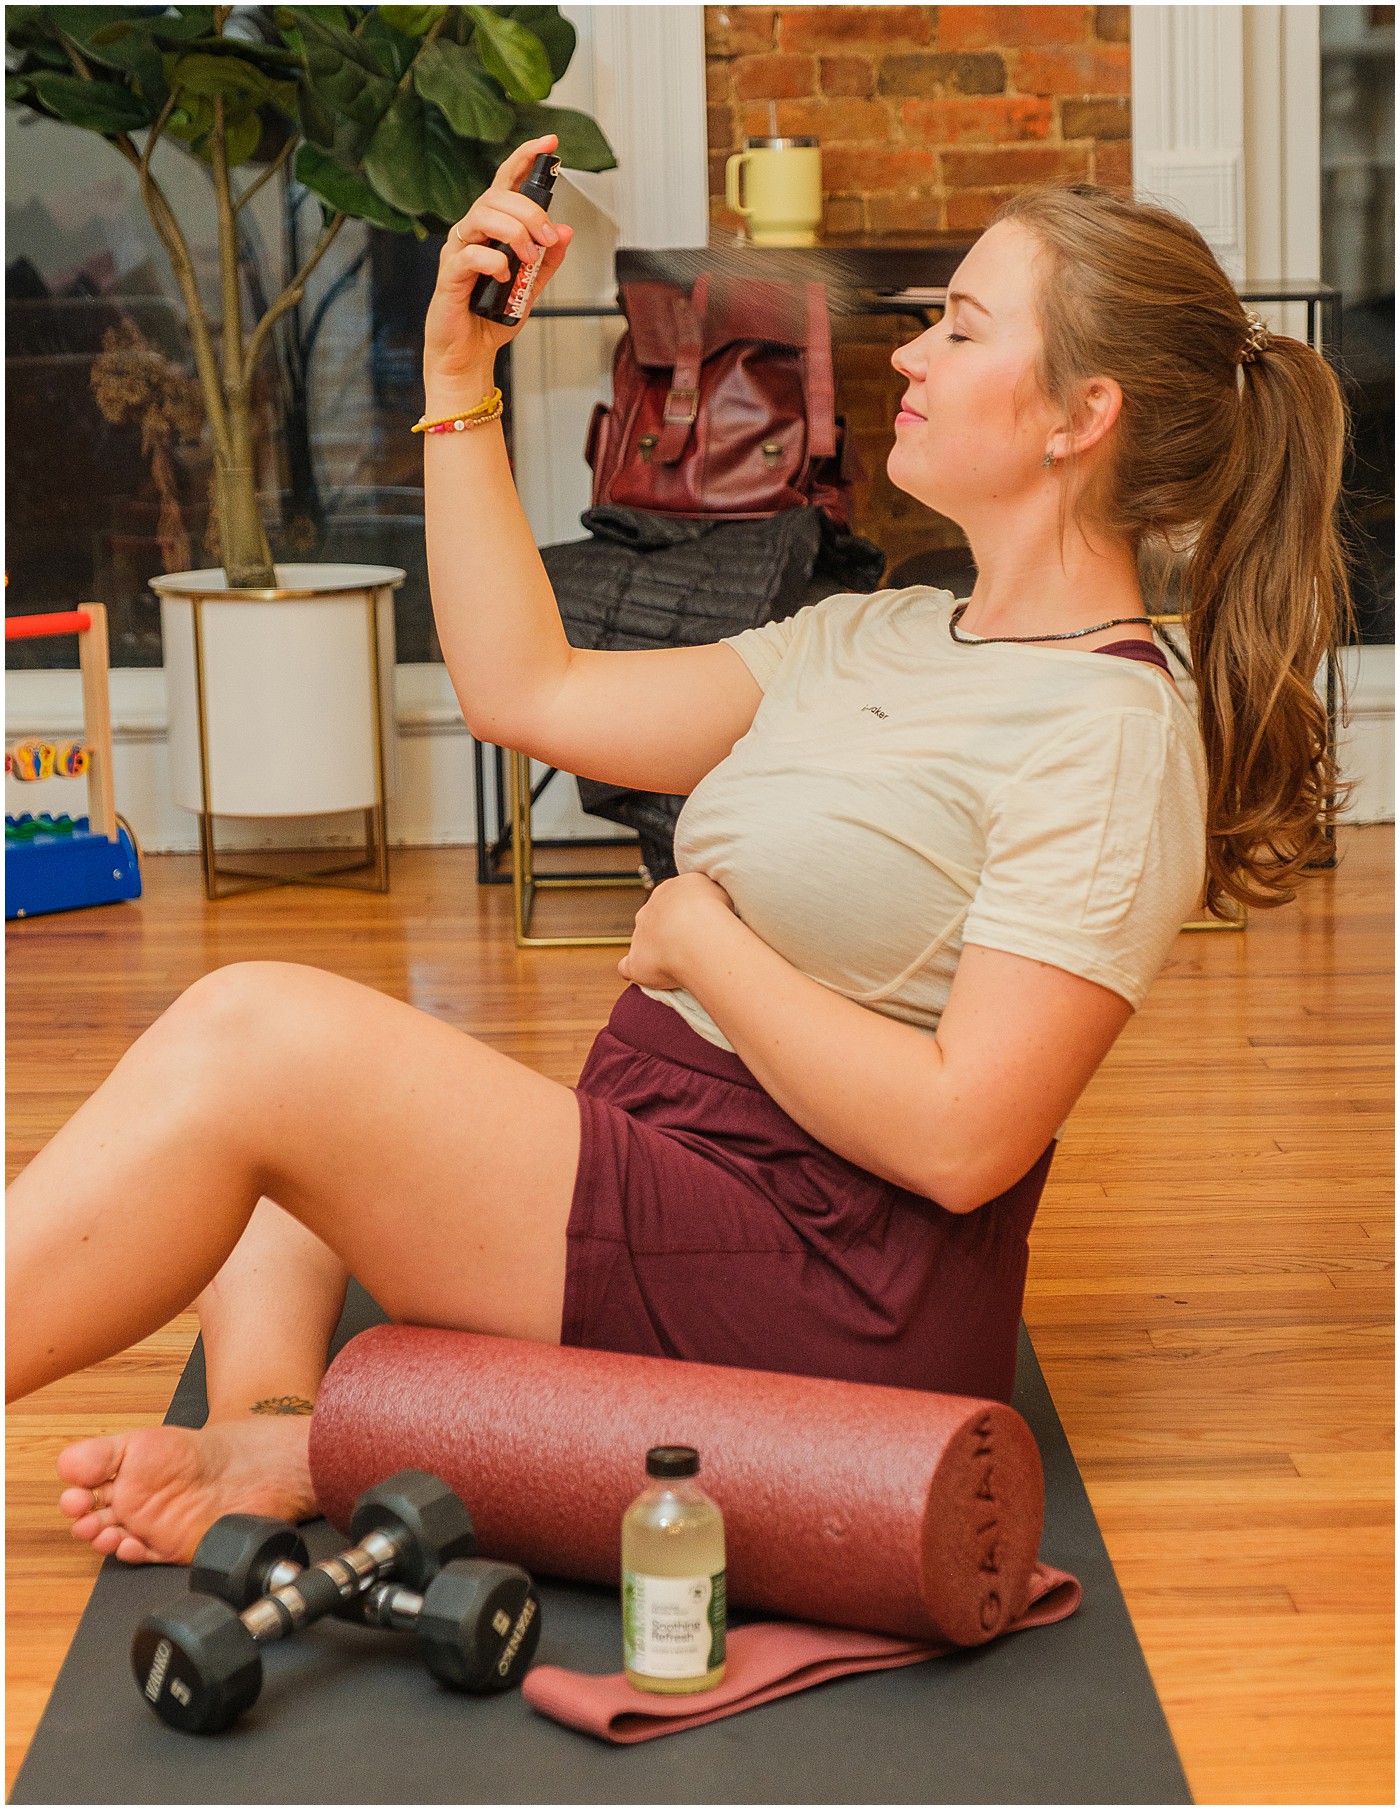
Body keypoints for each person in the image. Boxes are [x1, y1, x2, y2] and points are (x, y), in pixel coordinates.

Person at [6, 137, 1351, 1567]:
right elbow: (534, 697)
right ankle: (275, 1435)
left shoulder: (1112, 727)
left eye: (961, 327)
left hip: (832, 1267)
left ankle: (289, 1440)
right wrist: (458, 387)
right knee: (286, 1157)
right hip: (672, 1158)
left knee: (256, 1038)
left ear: (1085, 413)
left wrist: (705, 940)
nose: (909, 356)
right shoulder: (877, 629)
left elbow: (968, 1140)